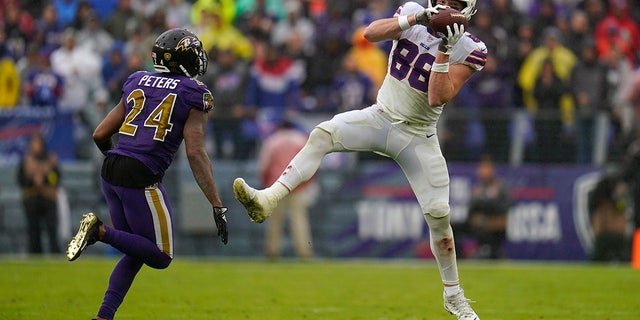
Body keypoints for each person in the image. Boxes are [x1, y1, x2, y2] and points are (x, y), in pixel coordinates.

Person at [233, 1, 486, 319]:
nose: (448, 6)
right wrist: (415, 18)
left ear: (468, 11)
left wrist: (445, 50)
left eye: (457, 4)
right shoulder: (413, 10)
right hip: (380, 116)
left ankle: (454, 295)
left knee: (438, 214)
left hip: (419, 135)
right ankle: (268, 198)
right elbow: (370, 33)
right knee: (323, 134)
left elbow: (437, 96)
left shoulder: (472, 48)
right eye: (446, 0)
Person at [65, 28, 230, 320]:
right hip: (141, 174)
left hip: (112, 168)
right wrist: (217, 203)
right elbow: (195, 152)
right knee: (161, 255)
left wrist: (120, 159)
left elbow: (100, 133)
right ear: (182, 59)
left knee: (136, 250)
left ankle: (103, 316)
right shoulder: (194, 93)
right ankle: (98, 231)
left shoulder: (137, 80)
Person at [259, 120, 317, 261]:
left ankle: (272, 252)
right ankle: (304, 253)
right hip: (298, 185)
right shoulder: (301, 140)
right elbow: (311, 163)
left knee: (274, 221)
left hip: (277, 184)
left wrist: (266, 184)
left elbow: (264, 166)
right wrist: (308, 182)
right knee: (299, 220)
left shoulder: (272, 141)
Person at [17, 133, 61, 254]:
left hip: (48, 198)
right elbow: (21, 180)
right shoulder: (26, 161)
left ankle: (55, 254)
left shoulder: (51, 160)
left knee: (51, 228)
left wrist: (46, 178)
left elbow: (55, 178)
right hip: (32, 199)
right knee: (33, 229)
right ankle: (35, 253)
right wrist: (32, 181)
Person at [467, 155, 512, 259]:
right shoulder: (477, 189)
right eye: (481, 168)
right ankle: (455, 257)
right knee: (454, 227)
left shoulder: (500, 189)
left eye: (486, 168)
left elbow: (504, 213)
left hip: (495, 227)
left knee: (488, 231)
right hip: (478, 225)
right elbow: (471, 213)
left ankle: (491, 251)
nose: (483, 171)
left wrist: (487, 222)